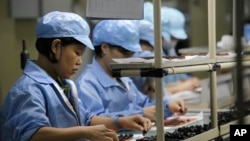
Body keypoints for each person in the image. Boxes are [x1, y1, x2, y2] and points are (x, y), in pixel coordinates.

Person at [0, 11, 152, 141]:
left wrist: (121, 122)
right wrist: (84, 132)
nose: (79, 61)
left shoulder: (64, 84)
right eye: (77, 53)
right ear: (56, 46)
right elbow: (33, 134)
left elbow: (86, 119)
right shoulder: (29, 89)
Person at [75, 20, 187, 122]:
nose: (129, 59)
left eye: (132, 54)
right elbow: (92, 122)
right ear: (105, 48)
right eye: (124, 52)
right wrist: (140, 114)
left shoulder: (123, 78)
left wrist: (167, 105)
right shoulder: (86, 84)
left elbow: (144, 104)